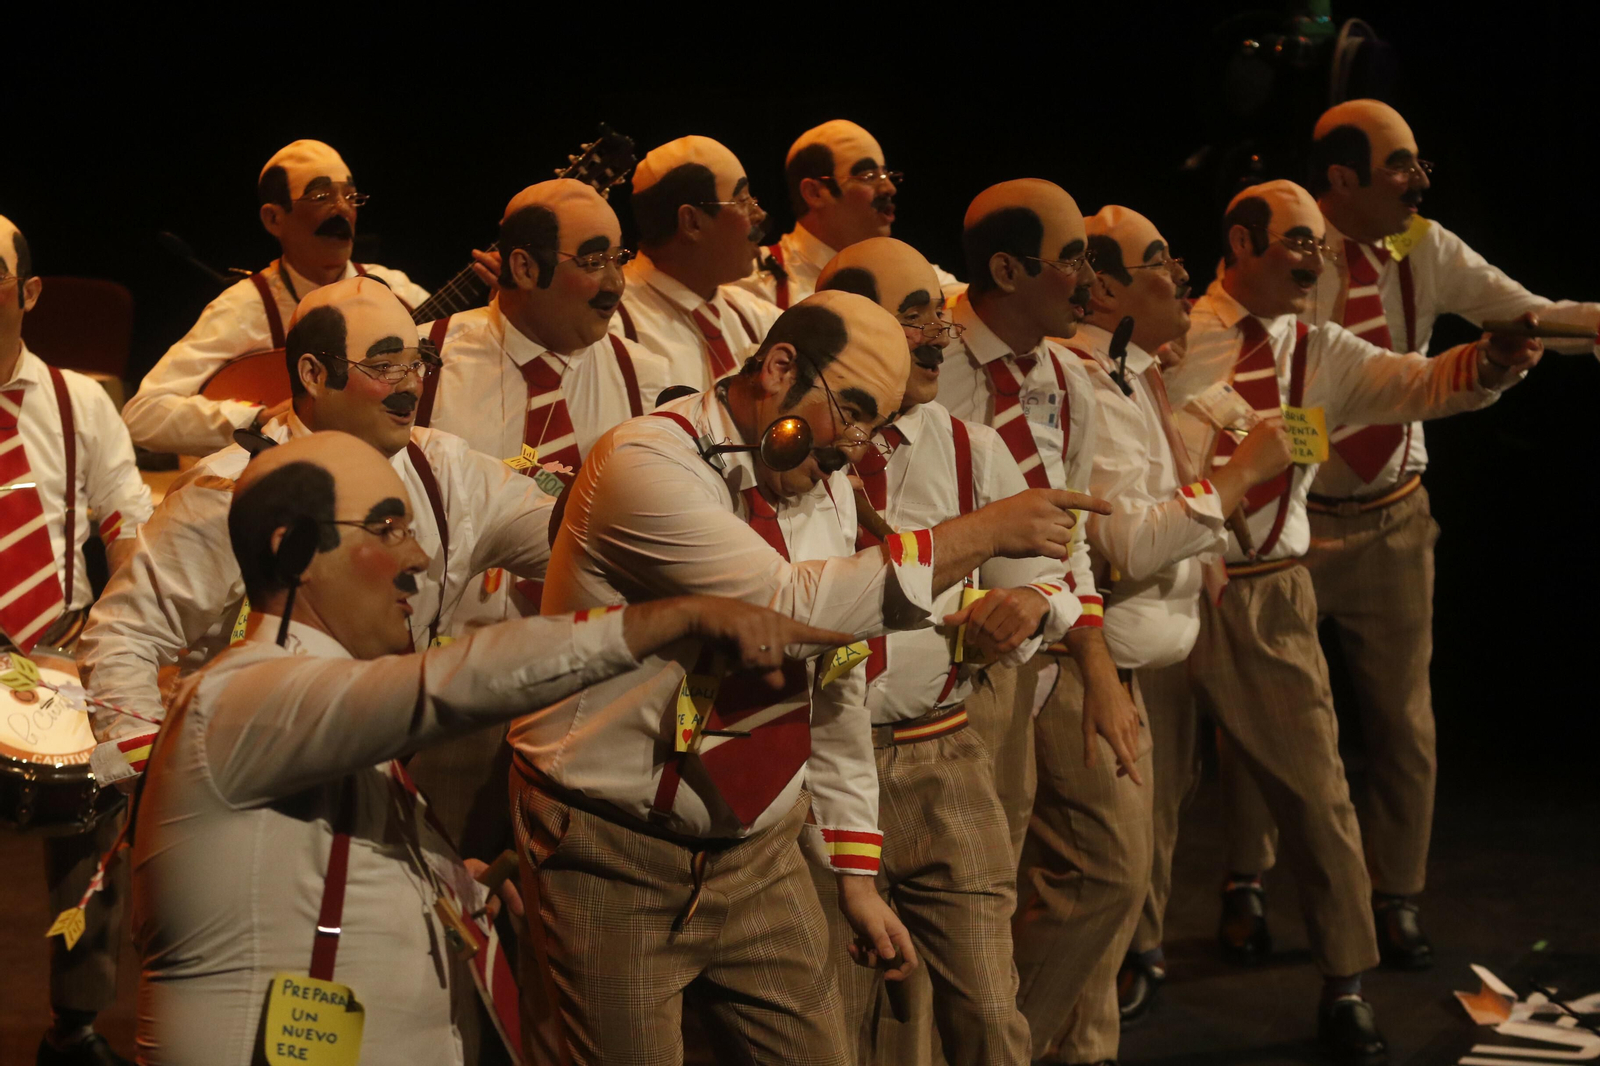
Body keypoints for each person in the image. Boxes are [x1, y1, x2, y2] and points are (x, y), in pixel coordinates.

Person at [509, 289, 1098, 1065]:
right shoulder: (643, 461)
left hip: (757, 853)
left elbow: (833, 679)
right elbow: (786, 607)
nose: (852, 444)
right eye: (847, 410)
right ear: (778, 367)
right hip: (612, 854)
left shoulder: (819, 489)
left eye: (873, 426)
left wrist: (855, 871)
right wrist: (978, 533)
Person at [130, 430, 842, 1065]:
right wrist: (674, 617)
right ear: (293, 549)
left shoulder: (308, 716)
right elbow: (453, 683)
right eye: (387, 528)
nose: (418, 559)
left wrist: (443, 887)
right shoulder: (234, 702)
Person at [1214, 99, 1600, 972]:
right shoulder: (1279, 252)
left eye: (1419, 162)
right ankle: (1245, 878)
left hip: (1391, 521)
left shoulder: (1424, 247)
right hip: (1290, 532)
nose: (1419, 181)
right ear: (1341, 181)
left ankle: (1398, 895)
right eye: (1400, 166)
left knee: (1403, 724)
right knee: (1258, 727)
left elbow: (1529, 314)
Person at [1162, 178, 1542, 1064]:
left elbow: (1413, 382)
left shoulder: (1317, 349)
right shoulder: (1172, 338)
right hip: (1169, 590)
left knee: (1321, 794)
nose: (1317, 260)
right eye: (1299, 244)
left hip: (1269, 590)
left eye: (1322, 247)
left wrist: (1486, 367)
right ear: (1242, 241)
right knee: (1142, 809)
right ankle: (1140, 956)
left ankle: (1345, 981)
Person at [79, 276, 552, 856]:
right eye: (385, 366)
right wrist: (156, 788)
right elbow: (122, 636)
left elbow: (574, 538)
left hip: (380, 793)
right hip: (246, 802)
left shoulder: (447, 470)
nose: (411, 388)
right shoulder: (230, 492)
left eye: (419, 363)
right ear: (312, 374)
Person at [813, 238, 1096, 1065]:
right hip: (819, 772)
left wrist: (1030, 604)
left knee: (988, 1013)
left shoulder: (973, 448)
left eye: (939, 311)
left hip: (945, 761)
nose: (938, 332)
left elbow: (1065, 583)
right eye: (915, 315)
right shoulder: (789, 455)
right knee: (838, 1021)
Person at [1066, 207, 1295, 1045]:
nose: (1180, 273)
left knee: (1114, 890)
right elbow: (1124, 544)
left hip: (1150, 656)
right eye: (1157, 259)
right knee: (1104, 890)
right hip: (1091, 675)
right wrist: (1238, 481)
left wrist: (1209, 546)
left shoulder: (1139, 374)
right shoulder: (1085, 383)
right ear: (1102, 287)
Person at [2, 215, 152, 1066]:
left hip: (60, 655)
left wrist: (111, 622)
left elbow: (127, 515)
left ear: (27, 294)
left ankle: (78, 1024)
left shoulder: (77, 399)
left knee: (97, 827)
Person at [418, 179, 672, 616]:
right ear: (525, 268)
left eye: (619, 259)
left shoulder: (646, 379)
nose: (615, 284)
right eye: (593, 262)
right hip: (454, 656)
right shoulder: (425, 364)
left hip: (593, 652)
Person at [121, 139, 430, 456]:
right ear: (273, 219)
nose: (343, 210)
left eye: (351, 197)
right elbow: (143, 415)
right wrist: (258, 419)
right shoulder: (247, 305)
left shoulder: (393, 289)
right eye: (321, 196)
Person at [611, 135, 781, 390]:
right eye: (743, 201)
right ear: (692, 222)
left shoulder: (752, 316)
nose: (760, 215)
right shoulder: (615, 327)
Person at [736, 120, 958, 310]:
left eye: (886, 174)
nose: (889, 188)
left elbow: (972, 304)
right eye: (869, 175)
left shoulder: (911, 273)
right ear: (814, 193)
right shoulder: (753, 284)